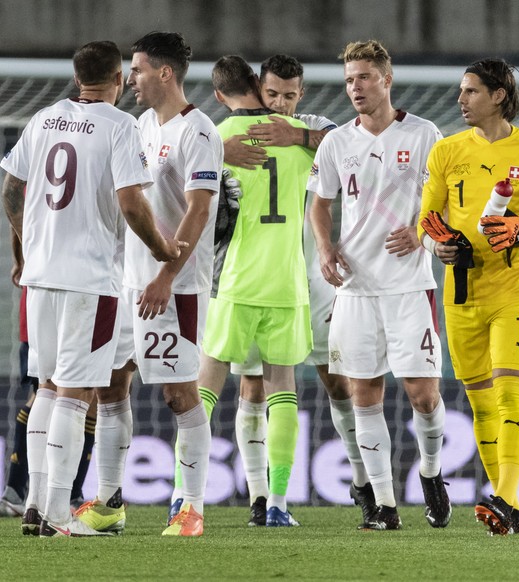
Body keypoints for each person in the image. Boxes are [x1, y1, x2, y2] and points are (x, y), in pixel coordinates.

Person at [0, 40, 183, 538]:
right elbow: (130, 201)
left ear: (78, 76)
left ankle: (36, 503)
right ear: (119, 78)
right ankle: (56, 509)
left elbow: (10, 190)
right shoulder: (121, 126)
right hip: (90, 281)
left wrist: (24, 247)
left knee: (46, 388)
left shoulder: (43, 119)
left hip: (41, 277)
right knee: (76, 393)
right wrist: (164, 247)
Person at [206, 53, 373, 528]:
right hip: (267, 276)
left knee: (336, 380)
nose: (280, 103)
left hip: (315, 280)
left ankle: (363, 482)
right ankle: (263, 497)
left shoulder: (314, 129)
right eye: (272, 94)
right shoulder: (240, 131)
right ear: (259, 88)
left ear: (302, 95)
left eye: (289, 96)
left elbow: (355, 143)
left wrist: (296, 134)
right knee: (253, 386)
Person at [72, 31, 222, 538]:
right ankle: (110, 502)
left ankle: (192, 508)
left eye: (136, 69)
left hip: (173, 287)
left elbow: (199, 211)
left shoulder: (199, 132)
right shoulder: (136, 126)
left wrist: (165, 274)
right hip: (126, 283)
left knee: (180, 395)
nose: (129, 78)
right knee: (110, 386)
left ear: (164, 73)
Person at [418, 58, 519, 536]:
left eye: (470, 92)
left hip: (513, 293)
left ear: (499, 96)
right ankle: (509, 508)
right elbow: (427, 219)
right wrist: (438, 243)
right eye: (461, 91)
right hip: (462, 293)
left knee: (511, 391)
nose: (460, 100)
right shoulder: (446, 152)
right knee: (481, 403)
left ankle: (505, 496)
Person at [308, 40, 450, 531]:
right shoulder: (335, 143)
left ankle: (431, 473)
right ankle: (386, 506)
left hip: (410, 287)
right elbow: (319, 203)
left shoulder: (425, 134)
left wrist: (422, 231)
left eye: (364, 77)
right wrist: (326, 249)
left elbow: (449, 200)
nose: (355, 88)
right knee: (364, 394)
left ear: (386, 80)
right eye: (349, 80)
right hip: (355, 290)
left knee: (423, 396)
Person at [192, 54, 314, 527]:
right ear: (259, 88)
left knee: (204, 388)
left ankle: (186, 496)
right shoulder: (303, 137)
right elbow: (350, 142)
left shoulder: (217, 137)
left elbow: (171, 167)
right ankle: (278, 505)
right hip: (287, 281)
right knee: (282, 390)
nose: (280, 102)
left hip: (236, 278)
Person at [0, 233, 97, 518]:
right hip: (81, 287)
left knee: (44, 390)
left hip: (39, 288)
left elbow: (12, 197)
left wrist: (21, 259)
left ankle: (21, 494)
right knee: (86, 394)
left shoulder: (36, 185)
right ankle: (69, 496)